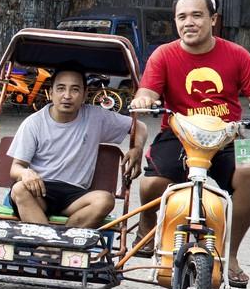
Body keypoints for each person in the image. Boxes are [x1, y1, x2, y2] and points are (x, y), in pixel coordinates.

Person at [129, 0, 250, 288]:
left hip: (233, 135)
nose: (189, 22)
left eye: (197, 15)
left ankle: (230, 254)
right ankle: (147, 225)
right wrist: (144, 100)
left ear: (213, 19)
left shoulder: (236, 54)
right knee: (152, 183)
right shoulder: (164, 54)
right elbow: (147, 91)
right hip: (178, 133)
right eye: (182, 17)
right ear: (175, 22)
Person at [9, 65, 147, 227]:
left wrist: (137, 148)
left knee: (105, 200)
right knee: (19, 189)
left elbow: (140, 127)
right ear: (51, 92)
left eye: (74, 90)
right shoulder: (34, 123)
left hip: (75, 196)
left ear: (84, 95)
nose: (67, 96)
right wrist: (25, 173)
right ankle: (50, 248)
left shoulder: (96, 117)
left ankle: (57, 245)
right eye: (61, 89)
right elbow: (15, 168)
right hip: (41, 191)